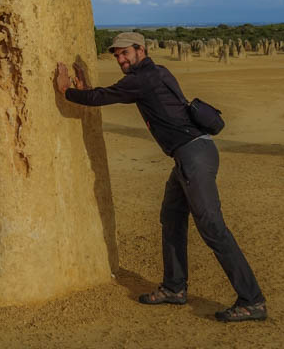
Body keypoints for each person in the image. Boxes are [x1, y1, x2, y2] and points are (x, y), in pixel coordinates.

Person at [55, 32, 266, 323]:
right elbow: (112, 93)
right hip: (188, 156)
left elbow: (103, 97)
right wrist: (86, 90)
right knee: (171, 217)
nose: (120, 59)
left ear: (141, 49)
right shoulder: (155, 73)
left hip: (193, 156)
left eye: (125, 53)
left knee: (213, 228)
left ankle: (252, 300)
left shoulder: (144, 79)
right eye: (116, 55)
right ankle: (174, 287)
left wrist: (67, 91)